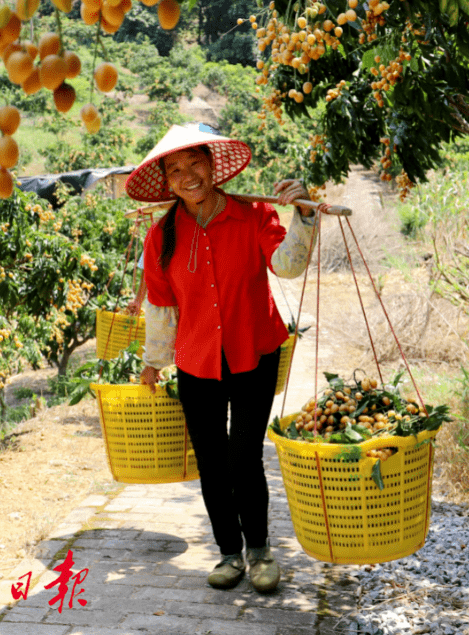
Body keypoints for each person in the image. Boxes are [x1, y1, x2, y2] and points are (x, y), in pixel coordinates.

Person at [125, 123, 318, 593]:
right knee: (211, 461)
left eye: (195, 163)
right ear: (166, 181)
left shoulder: (252, 215)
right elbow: (161, 305)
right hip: (197, 362)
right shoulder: (161, 235)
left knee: (244, 457)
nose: (187, 175)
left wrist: (306, 215)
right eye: (176, 169)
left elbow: (288, 266)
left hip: (254, 350)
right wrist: (154, 361)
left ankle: (260, 550)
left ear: (213, 166)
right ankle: (229, 553)